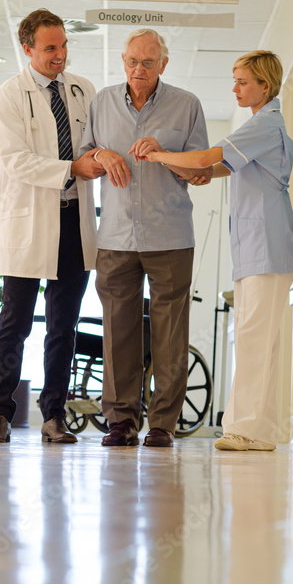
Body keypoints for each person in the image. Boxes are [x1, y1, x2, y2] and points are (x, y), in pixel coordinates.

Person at [137, 50, 293, 451]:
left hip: (267, 244)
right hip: (257, 247)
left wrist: (159, 153)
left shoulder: (266, 124)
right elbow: (210, 170)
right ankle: (260, 430)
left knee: (253, 337)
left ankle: (244, 429)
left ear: (265, 86)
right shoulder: (259, 126)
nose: (235, 88)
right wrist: (182, 167)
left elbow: (204, 158)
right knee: (259, 339)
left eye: (243, 82)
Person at [79, 29, 211, 448]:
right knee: (118, 330)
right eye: (132, 61)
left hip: (170, 235)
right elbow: (82, 160)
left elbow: (201, 172)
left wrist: (165, 154)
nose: (139, 69)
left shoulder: (186, 105)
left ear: (163, 65)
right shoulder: (101, 103)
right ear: (123, 61)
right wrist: (101, 154)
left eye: (148, 63)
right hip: (116, 235)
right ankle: (121, 421)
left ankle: (162, 424)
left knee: (170, 332)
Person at [0, 9, 105, 444]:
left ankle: (54, 415)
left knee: (63, 324)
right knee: (15, 321)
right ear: (28, 48)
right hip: (30, 220)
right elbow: (15, 160)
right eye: (50, 48)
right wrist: (72, 166)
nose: (60, 55)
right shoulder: (9, 95)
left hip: (73, 218)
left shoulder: (83, 90)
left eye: (64, 46)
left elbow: (98, 146)